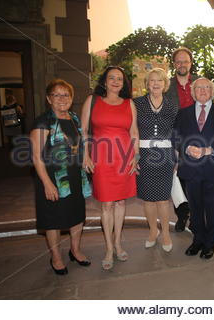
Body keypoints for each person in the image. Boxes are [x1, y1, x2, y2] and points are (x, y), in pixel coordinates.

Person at [30, 79, 92, 275]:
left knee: (76, 215)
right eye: (56, 95)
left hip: (74, 176)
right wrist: (47, 183)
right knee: (53, 219)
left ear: (72, 98)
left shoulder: (73, 119)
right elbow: (36, 156)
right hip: (51, 177)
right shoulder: (43, 122)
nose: (62, 98)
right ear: (49, 99)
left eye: (66, 94)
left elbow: (79, 145)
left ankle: (75, 250)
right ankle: (56, 257)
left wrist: (85, 159)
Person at [81, 66, 139, 270]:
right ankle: (107, 248)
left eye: (120, 79)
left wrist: (136, 157)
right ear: (104, 81)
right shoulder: (92, 100)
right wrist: (85, 154)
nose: (115, 81)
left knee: (121, 202)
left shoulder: (129, 104)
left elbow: (134, 133)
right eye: (111, 78)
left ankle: (118, 244)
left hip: (124, 158)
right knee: (106, 204)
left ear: (124, 84)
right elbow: (84, 130)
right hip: (102, 159)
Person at [174, 77, 214, 259]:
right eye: (199, 88)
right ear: (193, 92)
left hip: (212, 168)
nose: (203, 90)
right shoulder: (183, 114)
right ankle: (197, 239)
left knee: (212, 207)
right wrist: (187, 148)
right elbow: (175, 137)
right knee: (195, 207)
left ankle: (210, 241)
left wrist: (209, 150)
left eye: (207, 87)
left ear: (212, 91)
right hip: (190, 169)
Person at [134, 68, 178, 252]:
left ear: (165, 83)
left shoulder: (172, 105)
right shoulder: (136, 104)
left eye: (159, 80)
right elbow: (132, 131)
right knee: (148, 199)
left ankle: (165, 232)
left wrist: (178, 155)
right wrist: (134, 155)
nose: (156, 83)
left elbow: (177, 132)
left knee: (162, 199)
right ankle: (153, 231)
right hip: (144, 156)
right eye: (152, 80)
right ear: (147, 84)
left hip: (166, 156)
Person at [165, 47, 198, 232]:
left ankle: (195, 215)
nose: (182, 64)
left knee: (194, 178)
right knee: (176, 178)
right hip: (174, 137)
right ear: (174, 64)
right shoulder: (167, 86)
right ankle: (182, 214)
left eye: (185, 61)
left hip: (197, 138)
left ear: (190, 63)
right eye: (178, 61)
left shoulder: (200, 83)